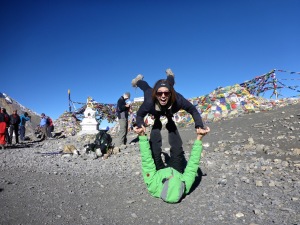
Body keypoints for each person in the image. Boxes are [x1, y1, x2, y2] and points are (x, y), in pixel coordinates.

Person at [132, 69, 207, 172]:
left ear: (170, 94)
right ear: (156, 94)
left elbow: (192, 109)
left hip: (170, 110)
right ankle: (139, 80)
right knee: (146, 88)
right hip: (155, 111)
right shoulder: (149, 101)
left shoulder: (178, 100)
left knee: (170, 81)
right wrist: (140, 125)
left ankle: (170, 75)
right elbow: (140, 115)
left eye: (166, 93)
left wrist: (199, 125)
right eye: (160, 93)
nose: (163, 96)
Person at [134, 125, 210, 203]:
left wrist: (142, 136)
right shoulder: (185, 185)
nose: (171, 176)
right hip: (176, 170)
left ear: (163, 184)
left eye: (169, 178)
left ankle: (156, 123)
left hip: (159, 172)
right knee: (177, 149)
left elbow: (147, 161)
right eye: (174, 178)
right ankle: (171, 123)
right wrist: (199, 138)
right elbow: (193, 164)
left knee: (155, 150)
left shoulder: (154, 186)